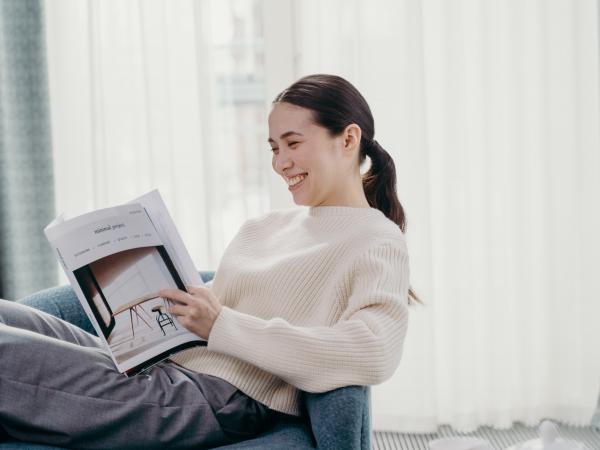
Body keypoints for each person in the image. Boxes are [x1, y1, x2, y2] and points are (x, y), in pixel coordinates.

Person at [0, 74, 419, 449]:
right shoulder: (264, 226)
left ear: (348, 140)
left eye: (293, 143)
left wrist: (221, 325)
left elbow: (374, 352)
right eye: (274, 148)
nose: (281, 162)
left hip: (214, 399)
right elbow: (212, 318)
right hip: (162, 368)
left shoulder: (375, 239)